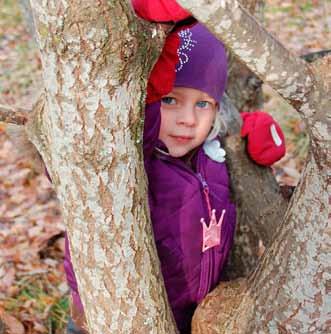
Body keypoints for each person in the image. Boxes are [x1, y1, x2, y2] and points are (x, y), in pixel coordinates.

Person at [64, 3, 286, 333]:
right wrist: (164, 43)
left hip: (185, 313)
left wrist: (248, 130)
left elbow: (224, 132)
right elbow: (89, 145)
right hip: (113, 317)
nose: (188, 119)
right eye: (171, 100)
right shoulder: (134, 156)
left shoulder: (209, 153)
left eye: (203, 104)